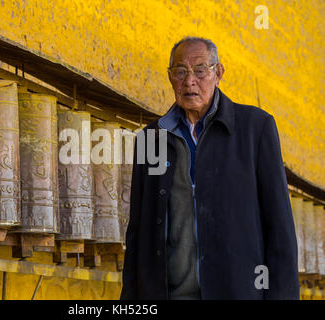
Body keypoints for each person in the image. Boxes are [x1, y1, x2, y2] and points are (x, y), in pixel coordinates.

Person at [120, 36, 299, 300]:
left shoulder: (254, 128)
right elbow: (138, 231)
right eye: (180, 71)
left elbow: (280, 228)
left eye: (200, 70)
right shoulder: (151, 139)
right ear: (170, 78)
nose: (189, 81)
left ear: (218, 73)